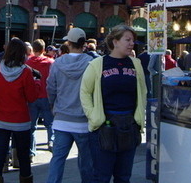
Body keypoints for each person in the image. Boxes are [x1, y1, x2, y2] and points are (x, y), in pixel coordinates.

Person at [80, 25, 147, 183]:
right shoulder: (97, 64)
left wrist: (138, 117)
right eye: (127, 40)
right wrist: (93, 117)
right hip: (105, 126)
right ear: (115, 42)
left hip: (129, 125)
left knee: (124, 176)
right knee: (101, 177)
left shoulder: (136, 64)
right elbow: (85, 92)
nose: (132, 43)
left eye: (133, 40)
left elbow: (143, 91)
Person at [45, 27, 94, 183]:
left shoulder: (58, 63)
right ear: (84, 43)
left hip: (62, 119)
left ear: (69, 43)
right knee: (86, 162)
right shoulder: (91, 63)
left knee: (57, 159)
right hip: (84, 120)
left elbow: (51, 88)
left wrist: (53, 105)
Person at [0, 37, 40, 183]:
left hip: (0, 118)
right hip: (20, 120)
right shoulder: (25, 72)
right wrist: (36, 83)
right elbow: (32, 97)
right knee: (23, 157)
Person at [26, 38, 54, 155]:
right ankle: (51, 143)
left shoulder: (27, 63)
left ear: (33, 49)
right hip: (46, 96)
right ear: (43, 49)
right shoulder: (50, 62)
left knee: (31, 126)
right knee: (50, 123)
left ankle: (31, 151)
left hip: (32, 97)